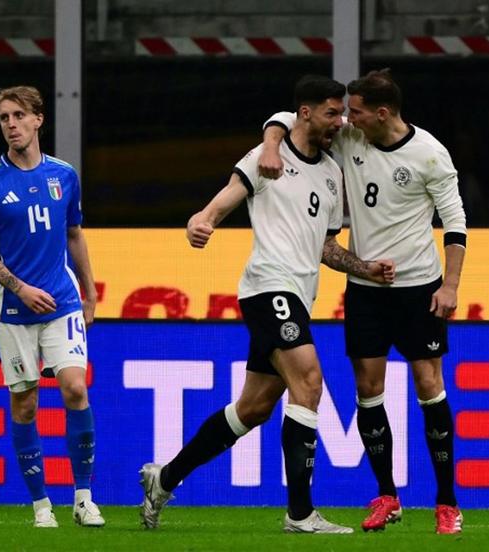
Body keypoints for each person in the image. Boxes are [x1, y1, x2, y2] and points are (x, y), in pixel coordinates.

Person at [138, 75, 395, 534]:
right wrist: (204, 219)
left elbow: (326, 248)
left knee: (253, 408)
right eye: (331, 113)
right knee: (310, 381)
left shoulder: (332, 173)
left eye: (342, 113)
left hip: (299, 294)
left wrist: (363, 267)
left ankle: (165, 478)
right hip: (267, 289)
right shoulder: (267, 157)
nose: (339, 122)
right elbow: (225, 198)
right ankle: (300, 513)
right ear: (305, 113)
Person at [258, 69, 467, 535]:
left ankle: (447, 503)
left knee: (428, 383)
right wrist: (271, 143)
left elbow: (455, 225)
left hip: (418, 288)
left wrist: (449, 286)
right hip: (367, 290)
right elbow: (290, 117)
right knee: (367, 389)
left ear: (382, 113)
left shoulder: (430, 155)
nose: (346, 119)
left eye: (355, 111)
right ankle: (387, 496)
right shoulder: (353, 138)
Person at [0, 86, 104, 529]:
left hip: (62, 301)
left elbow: (74, 234)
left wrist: (90, 290)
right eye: (4, 117)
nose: (11, 124)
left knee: (75, 389)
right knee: (25, 403)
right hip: (14, 309)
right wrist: (20, 288)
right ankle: (41, 504)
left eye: (19, 115)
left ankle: (83, 498)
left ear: (39, 119)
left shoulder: (64, 175)